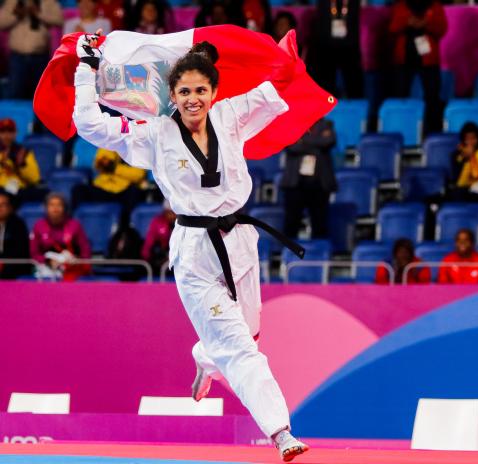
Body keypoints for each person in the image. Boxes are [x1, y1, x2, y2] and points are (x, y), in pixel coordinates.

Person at [73, 35, 309, 460]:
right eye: (185, 91)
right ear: (172, 95)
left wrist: (281, 54)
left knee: (248, 333)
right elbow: (90, 125)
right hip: (195, 252)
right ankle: (281, 432)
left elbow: (280, 85)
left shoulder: (232, 114)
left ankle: (204, 353)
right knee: (240, 348)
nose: (194, 99)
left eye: (202, 90)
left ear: (214, 92)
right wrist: (85, 70)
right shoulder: (154, 134)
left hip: (239, 240)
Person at [389, 0, 447, 135]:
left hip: (428, 60)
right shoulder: (401, 6)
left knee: (432, 98)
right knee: (400, 97)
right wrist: (407, 22)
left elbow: (442, 29)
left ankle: (432, 132)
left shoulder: (435, 6)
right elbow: (392, 28)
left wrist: (426, 23)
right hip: (404, 60)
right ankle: (402, 130)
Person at [280, 118, 337, 239]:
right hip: (295, 185)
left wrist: (302, 141)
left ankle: (318, 255)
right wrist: (318, 143)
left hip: (319, 185)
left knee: (320, 226)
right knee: (291, 224)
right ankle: (289, 255)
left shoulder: (326, 124)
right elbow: (291, 146)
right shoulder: (291, 123)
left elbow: (329, 141)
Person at [0, 0, 63, 99]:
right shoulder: (12, 1)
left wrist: (38, 13)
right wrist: (17, 15)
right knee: (15, 95)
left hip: (40, 57)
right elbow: (1, 22)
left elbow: (59, 18)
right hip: (17, 58)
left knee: (40, 96)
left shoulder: (48, 1)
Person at [72, 147, 146, 225]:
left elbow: (138, 175)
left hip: (125, 191)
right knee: (79, 190)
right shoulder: (108, 144)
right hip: (103, 187)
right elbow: (100, 163)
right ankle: (78, 224)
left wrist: (114, 168)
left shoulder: (137, 151)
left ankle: (126, 227)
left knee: (134, 192)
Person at [30, 192, 91, 281]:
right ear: (46, 207)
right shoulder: (39, 225)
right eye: (51, 205)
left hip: (71, 268)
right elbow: (34, 253)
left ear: (64, 208)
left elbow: (85, 250)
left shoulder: (74, 225)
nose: (55, 208)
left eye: (59, 205)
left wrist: (77, 261)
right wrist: (47, 261)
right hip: (46, 269)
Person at [310, 0, 363, 99]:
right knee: (326, 84)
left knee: (353, 84)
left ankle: (354, 109)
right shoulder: (324, 3)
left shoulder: (353, 2)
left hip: (349, 46)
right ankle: (327, 110)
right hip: (327, 46)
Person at [0, 118, 42, 201]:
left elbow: (35, 179)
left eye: (10, 131)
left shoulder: (23, 152)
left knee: (42, 192)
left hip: (18, 191)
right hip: (1, 189)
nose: (6, 135)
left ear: (16, 133)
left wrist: (22, 164)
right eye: (3, 131)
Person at [0, 190, 31, 279]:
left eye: (3, 204)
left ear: (10, 207)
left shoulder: (18, 224)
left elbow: (20, 250)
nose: (0, 207)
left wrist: (3, 263)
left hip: (13, 268)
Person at [141, 200, 176, 273]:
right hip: (159, 262)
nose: (172, 215)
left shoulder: (182, 223)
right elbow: (148, 247)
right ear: (164, 212)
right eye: (169, 212)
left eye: (174, 212)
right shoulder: (157, 222)